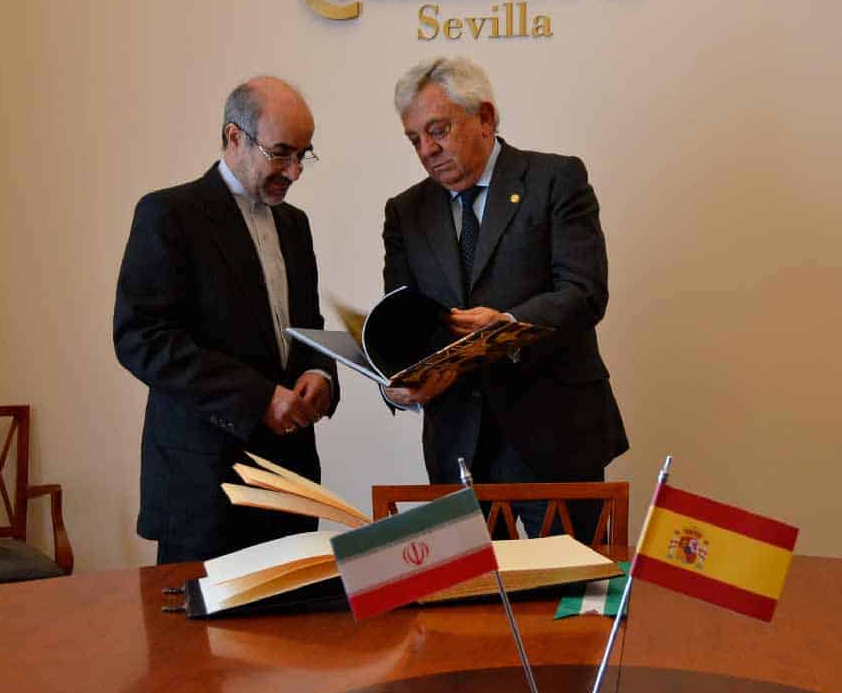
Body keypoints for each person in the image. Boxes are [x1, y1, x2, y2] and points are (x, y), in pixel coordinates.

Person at [382, 56, 628, 542]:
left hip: (556, 439)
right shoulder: (406, 212)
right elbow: (399, 323)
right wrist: (398, 384)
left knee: (571, 586)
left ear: (485, 118)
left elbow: (584, 291)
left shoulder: (555, 179)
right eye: (415, 139)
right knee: (471, 592)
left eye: (438, 131)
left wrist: (509, 324)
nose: (427, 150)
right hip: (457, 448)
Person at [114, 76, 339, 564]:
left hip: (291, 480)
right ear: (234, 136)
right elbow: (141, 339)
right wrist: (259, 398)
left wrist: (319, 373)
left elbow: (306, 326)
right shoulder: (168, 214)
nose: (295, 171)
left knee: (298, 616)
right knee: (197, 619)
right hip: (204, 487)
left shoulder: (295, 225)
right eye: (281, 153)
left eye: (303, 155)